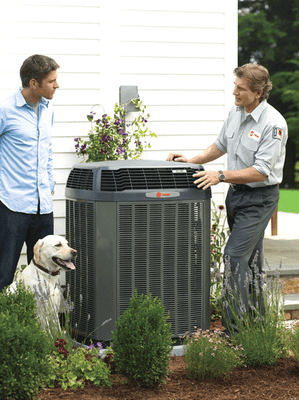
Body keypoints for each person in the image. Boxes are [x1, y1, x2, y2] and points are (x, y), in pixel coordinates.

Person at [167, 63, 288, 333]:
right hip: (237, 196)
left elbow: (260, 172)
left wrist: (220, 176)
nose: (234, 92)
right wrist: (192, 160)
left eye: (240, 88)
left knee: (233, 257)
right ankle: (258, 325)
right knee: (251, 261)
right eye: (235, 85)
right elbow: (220, 145)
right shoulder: (236, 112)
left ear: (258, 92)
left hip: (260, 199)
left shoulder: (273, 124)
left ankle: (235, 331)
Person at [0, 54, 60, 291]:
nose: (57, 85)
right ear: (33, 83)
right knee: (4, 274)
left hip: (43, 206)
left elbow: (46, 150)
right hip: (12, 206)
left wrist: (50, 182)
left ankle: (38, 327)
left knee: (44, 276)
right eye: (51, 81)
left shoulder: (48, 110)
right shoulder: (5, 110)